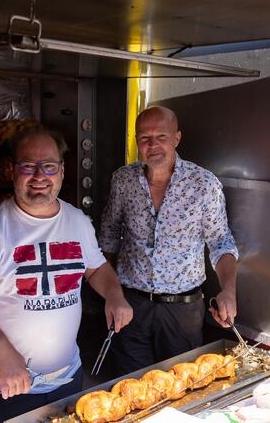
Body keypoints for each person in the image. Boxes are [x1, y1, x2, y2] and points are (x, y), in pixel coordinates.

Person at [0, 127, 133, 422]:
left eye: (48, 166)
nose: (39, 175)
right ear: (12, 170)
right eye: (28, 166)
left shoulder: (77, 221)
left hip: (67, 379)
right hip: (8, 388)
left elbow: (96, 268)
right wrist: (0, 350)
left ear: (61, 170)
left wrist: (114, 295)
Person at [98, 106, 239, 375]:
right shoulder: (122, 180)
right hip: (131, 307)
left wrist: (229, 290)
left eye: (161, 136)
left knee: (180, 388)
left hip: (182, 312)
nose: (152, 145)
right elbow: (108, 238)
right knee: (130, 388)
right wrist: (110, 295)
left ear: (177, 138)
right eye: (144, 138)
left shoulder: (203, 184)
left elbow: (221, 242)